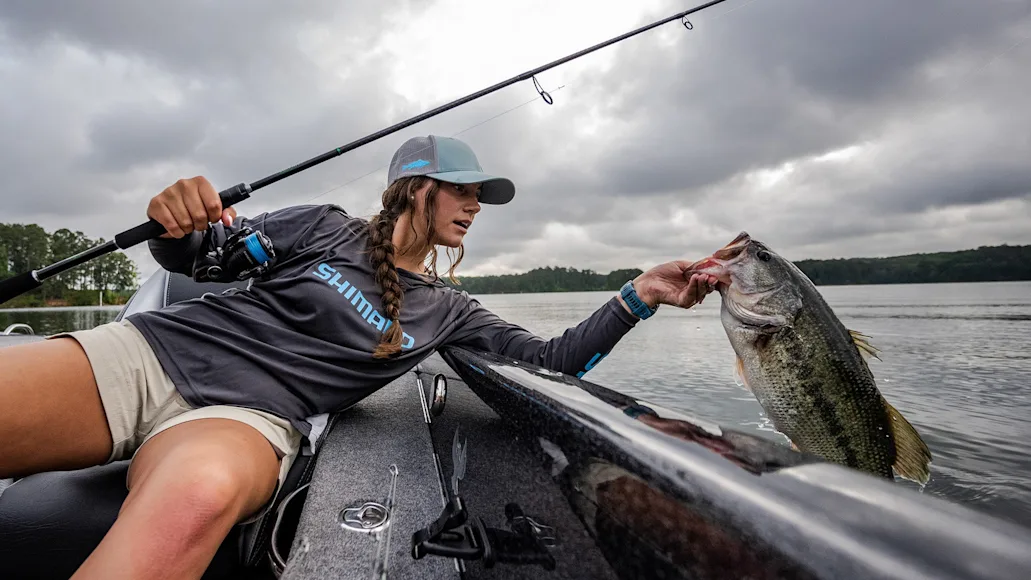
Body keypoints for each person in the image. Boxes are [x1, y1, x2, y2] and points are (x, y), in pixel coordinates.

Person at [0, 134, 718, 579]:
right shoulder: (322, 227)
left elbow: (553, 363)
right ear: (417, 189)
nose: (473, 206)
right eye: (461, 191)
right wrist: (178, 221)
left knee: (199, 498)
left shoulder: (450, 312)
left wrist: (640, 293)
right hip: (149, 356)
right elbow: (207, 253)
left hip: (249, 421)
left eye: (480, 197)